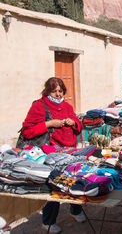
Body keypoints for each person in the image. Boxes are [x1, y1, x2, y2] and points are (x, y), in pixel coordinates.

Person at [20, 77, 84, 233]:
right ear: (47, 91)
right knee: (54, 185)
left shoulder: (67, 106)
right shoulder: (39, 106)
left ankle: (75, 210)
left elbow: (78, 125)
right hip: (49, 154)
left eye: (60, 91)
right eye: (54, 91)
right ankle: (48, 221)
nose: (57, 94)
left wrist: (73, 123)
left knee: (74, 181)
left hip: (70, 151)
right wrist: (49, 124)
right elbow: (27, 130)